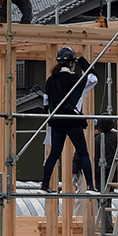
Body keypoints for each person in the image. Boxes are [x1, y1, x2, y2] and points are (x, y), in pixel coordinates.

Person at [40, 45, 98, 193]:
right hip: (72, 120)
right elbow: (94, 78)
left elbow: (45, 102)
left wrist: (50, 119)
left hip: (56, 121)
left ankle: (45, 185)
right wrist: (82, 61)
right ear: (72, 63)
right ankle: (91, 186)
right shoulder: (77, 80)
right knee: (83, 153)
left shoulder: (50, 80)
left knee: (54, 153)